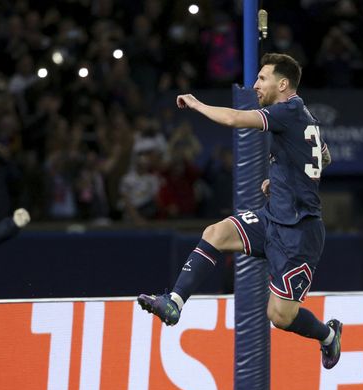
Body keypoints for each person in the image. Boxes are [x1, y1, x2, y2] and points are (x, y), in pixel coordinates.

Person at [137, 53, 343, 369]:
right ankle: (174, 302)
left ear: (283, 83)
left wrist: (197, 104)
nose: (255, 84)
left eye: (263, 78)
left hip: (300, 234)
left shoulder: (286, 112)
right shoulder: (305, 118)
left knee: (279, 316)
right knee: (215, 233)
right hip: (273, 216)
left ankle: (327, 335)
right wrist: (280, 178)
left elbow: (235, 119)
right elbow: (323, 158)